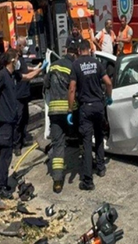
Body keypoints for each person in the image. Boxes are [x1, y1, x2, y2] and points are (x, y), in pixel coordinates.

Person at [68, 40, 113, 191]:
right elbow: (108, 83)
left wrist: (70, 109)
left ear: (79, 51)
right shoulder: (97, 63)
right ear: (89, 49)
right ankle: (100, 168)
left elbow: (72, 89)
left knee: (87, 142)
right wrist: (108, 97)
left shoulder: (75, 65)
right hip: (98, 106)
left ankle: (87, 180)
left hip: (85, 108)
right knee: (99, 136)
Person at [44, 39, 78, 193]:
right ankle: (85, 170)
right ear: (75, 53)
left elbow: (46, 86)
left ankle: (57, 181)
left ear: (66, 51)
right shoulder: (74, 67)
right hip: (69, 112)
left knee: (58, 144)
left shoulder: (54, 65)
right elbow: (75, 89)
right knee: (82, 137)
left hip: (54, 112)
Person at [0, 48, 21, 199]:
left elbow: (26, 77)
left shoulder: (11, 75)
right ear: (12, 60)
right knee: (5, 154)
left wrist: (40, 68)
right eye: (17, 58)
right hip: (4, 121)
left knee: (6, 154)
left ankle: (1, 182)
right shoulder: (2, 75)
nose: (18, 60)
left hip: (10, 120)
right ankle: (0, 187)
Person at [13, 36, 47, 155]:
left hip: (24, 94)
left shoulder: (20, 58)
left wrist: (34, 67)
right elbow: (26, 76)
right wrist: (39, 70)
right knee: (19, 119)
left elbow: (25, 68)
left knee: (25, 119)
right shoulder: (15, 59)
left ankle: (22, 140)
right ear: (19, 46)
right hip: (18, 94)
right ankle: (17, 145)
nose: (26, 47)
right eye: (24, 45)